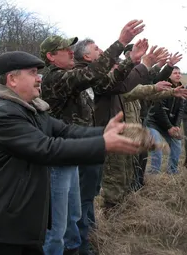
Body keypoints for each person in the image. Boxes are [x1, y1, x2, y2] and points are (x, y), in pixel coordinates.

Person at [0, 51, 140, 255]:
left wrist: (103, 132)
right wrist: (102, 144)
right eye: (33, 73)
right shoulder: (3, 113)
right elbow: (46, 148)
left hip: (19, 219)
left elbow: (65, 130)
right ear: (12, 79)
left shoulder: (32, 109)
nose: (39, 78)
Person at [40, 20, 145, 255]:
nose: (70, 52)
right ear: (50, 57)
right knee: (60, 220)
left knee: (76, 210)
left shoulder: (73, 76)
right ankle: (75, 248)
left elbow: (107, 81)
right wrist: (121, 43)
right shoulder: (56, 78)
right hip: (62, 155)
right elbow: (93, 73)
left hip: (81, 147)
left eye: (71, 48)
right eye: (64, 49)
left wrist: (132, 61)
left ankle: (82, 246)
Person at [94, 42, 170, 209]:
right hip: (113, 135)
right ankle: (112, 209)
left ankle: (124, 201)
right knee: (115, 175)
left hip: (127, 132)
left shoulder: (117, 85)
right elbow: (138, 88)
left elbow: (144, 84)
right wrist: (147, 65)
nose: (117, 67)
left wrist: (165, 84)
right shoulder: (108, 85)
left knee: (129, 169)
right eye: (114, 65)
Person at [146, 66, 186, 174]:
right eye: (175, 73)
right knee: (157, 146)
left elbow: (181, 109)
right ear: (169, 75)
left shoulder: (181, 88)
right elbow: (160, 110)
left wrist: (176, 126)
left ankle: (172, 170)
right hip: (154, 122)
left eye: (179, 73)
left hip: (169, 125)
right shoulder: (164, 87)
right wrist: (169, 127)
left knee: (177, 143)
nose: (178, 75)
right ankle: (154, 172)